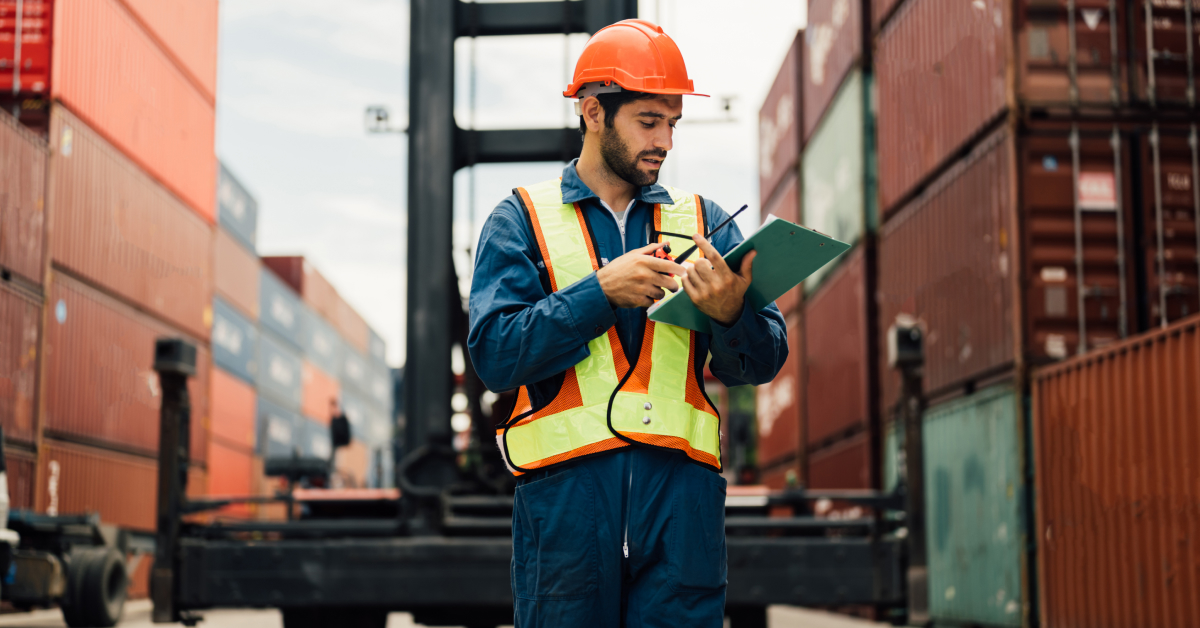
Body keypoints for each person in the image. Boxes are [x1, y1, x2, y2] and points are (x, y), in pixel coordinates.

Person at [467, 19, 787, 628]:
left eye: (673, 123)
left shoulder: (705, 221)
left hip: (682, 506)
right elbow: (495, 356)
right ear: (593, 113)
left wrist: (730, 315)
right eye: (648, 121)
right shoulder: (521, 219)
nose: (665, 140)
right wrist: (599, 294)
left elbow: (763, 360)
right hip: (566, 506)